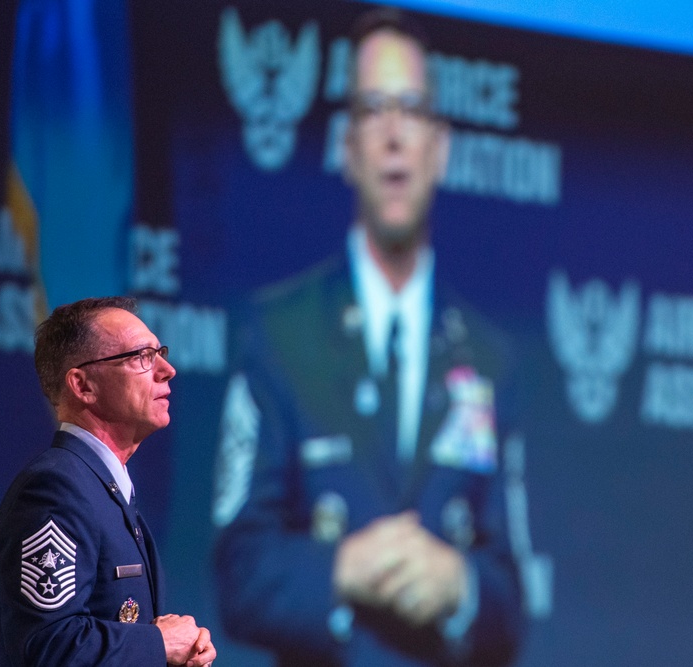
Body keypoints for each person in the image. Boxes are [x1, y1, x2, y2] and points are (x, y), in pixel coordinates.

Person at [212, 8, 526, 666]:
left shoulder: (489, 358)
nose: (392, 134)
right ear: (347, 145)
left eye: (410, 109)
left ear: (439, 147)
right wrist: (341, 568)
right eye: (372, 109)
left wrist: (459, 584)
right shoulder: (278, 335)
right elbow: (238, 571)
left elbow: (513, 594)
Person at [0, 296, 217, 666]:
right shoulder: (53, 489)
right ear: (83, 385)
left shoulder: (104, 488)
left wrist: (174, 652)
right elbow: (51, 645)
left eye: (161, 352)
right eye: (142, 356)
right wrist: (158, 644)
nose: (167, 369)